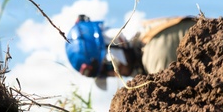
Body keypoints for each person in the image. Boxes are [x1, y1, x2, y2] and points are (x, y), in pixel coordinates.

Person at [65, 15, 198, 78]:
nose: (116, 74)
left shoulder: (154, 58)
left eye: (110, 67)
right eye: (107, 74)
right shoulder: (147, 35)